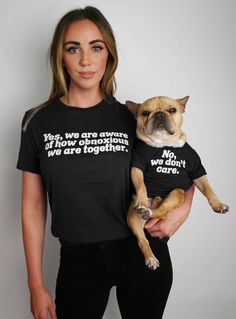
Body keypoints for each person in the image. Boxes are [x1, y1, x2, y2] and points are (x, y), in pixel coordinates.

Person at [16, 6, 194, 319]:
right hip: (78, 261)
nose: (85, 60)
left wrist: (184, 207)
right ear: (61, 56)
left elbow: (179, 165)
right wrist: (35, 284)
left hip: (141, 252)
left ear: (108, 55)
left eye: (96, 47)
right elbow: (33, 206)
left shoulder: (133, 118)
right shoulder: (37, 121)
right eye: (74, 49)